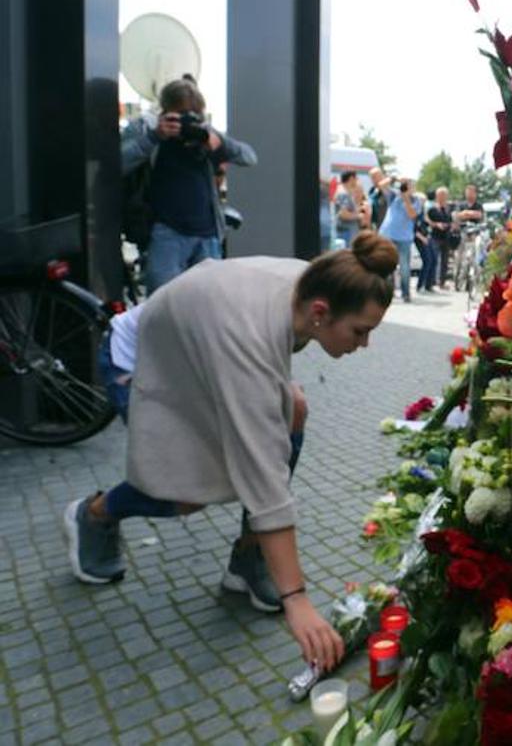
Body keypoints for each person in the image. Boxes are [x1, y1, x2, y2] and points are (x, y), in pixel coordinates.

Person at [64, 232, 398, 672]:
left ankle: (248, 556)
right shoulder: (249, 337)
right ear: (321, 312)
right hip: (143, 358)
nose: (364, 344)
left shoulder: (317, 285)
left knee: (292, 407)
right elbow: (262, 474)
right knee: (185, 492)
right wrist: (296, 599)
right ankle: (94, 514)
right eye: (361, 331)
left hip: (201, 353)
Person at [121, 75, 258, 294]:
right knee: (162, 305)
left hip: (208, 234)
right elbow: (117, 163)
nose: (186, 121)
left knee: (205, 304)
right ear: (165, 111)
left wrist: (218, 142)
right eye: (180, 114)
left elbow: (249, 157)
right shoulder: (147, 128)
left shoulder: (202, 132)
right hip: (166, 233)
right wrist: (155, 137)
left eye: (193, 114)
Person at [377, 175, 421, 301]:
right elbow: (381, 185)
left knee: (404, 267)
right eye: (406, 185)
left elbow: (412, 215)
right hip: (388, 235)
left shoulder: (416, 200)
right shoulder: (394, 195)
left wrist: (406, 198)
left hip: (404, 238)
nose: (406, 187)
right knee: (386, 264)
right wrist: (393, 179)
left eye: (409, 185)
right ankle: (385, 292)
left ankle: (405, 293)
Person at [427, 187, 455, 287]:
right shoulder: (432, 208)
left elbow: (451, 220)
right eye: (441, 195)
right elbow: (427, 221)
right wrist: (436, 224)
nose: (443, 198)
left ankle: (442, 282)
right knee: (434, 260)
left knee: (445, 261)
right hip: (435, 236)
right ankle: (432, 281)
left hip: (446, 237)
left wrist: (451, 225)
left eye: (444, 195)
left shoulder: (449, 209)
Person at [333, 171, 369, 247]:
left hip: (347, 233)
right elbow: (343, 214)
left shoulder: (344, 192)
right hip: (346, 233)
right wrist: (359, 216)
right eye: (356, 178)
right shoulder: (343, 194)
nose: (357, 180)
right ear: (351, 178)